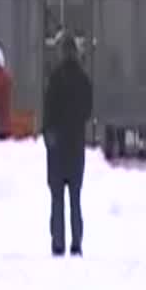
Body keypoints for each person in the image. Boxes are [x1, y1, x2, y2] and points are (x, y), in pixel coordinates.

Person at [43, 30, 93, 257]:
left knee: (56, 197)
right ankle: (76, 241)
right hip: (75, 144)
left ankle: (57, 241)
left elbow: (48, 110)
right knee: (75, 197)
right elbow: (87, 111)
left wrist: (49, 133)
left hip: (57, 145)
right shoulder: (84, 80)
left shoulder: (55, 78)